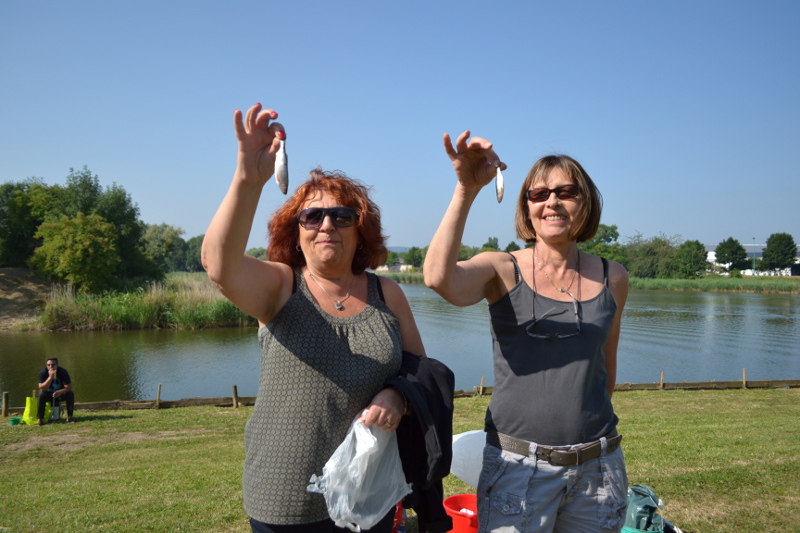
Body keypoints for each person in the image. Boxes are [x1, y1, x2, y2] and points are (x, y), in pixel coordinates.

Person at [202, 103, 427, 533]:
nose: (327, 224)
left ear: (361, 229)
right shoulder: (281, 287)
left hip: (367, 491)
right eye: (313, 215)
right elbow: (219, 266)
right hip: (284, 496)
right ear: (296, 230)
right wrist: (248, 180)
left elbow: (420, 369)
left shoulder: (389, 293)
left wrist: (397, 396)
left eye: (343, 216)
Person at [424, 130, 630, 533]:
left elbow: (605, 369)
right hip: (517, 468)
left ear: (584, 202)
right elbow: (437, 278)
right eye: (539, 194)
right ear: (527, 207)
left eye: (566, 191)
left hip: (598, 469)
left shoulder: (613, 277)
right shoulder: (502, 268)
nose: (552, 201)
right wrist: (466, 189)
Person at [37, 357, 75, 425]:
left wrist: (61, 391)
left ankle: (70, 417)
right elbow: (41, 388)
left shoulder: (63, 372)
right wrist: (50, 377)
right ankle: (41, 419)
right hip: (48, 394)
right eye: (48, 365)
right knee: (41, 394)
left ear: (57, 364)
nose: (51, 367)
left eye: (53, 365)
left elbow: (69, 387)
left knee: (70, 394)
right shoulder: (42, 372)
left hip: (59, 394)